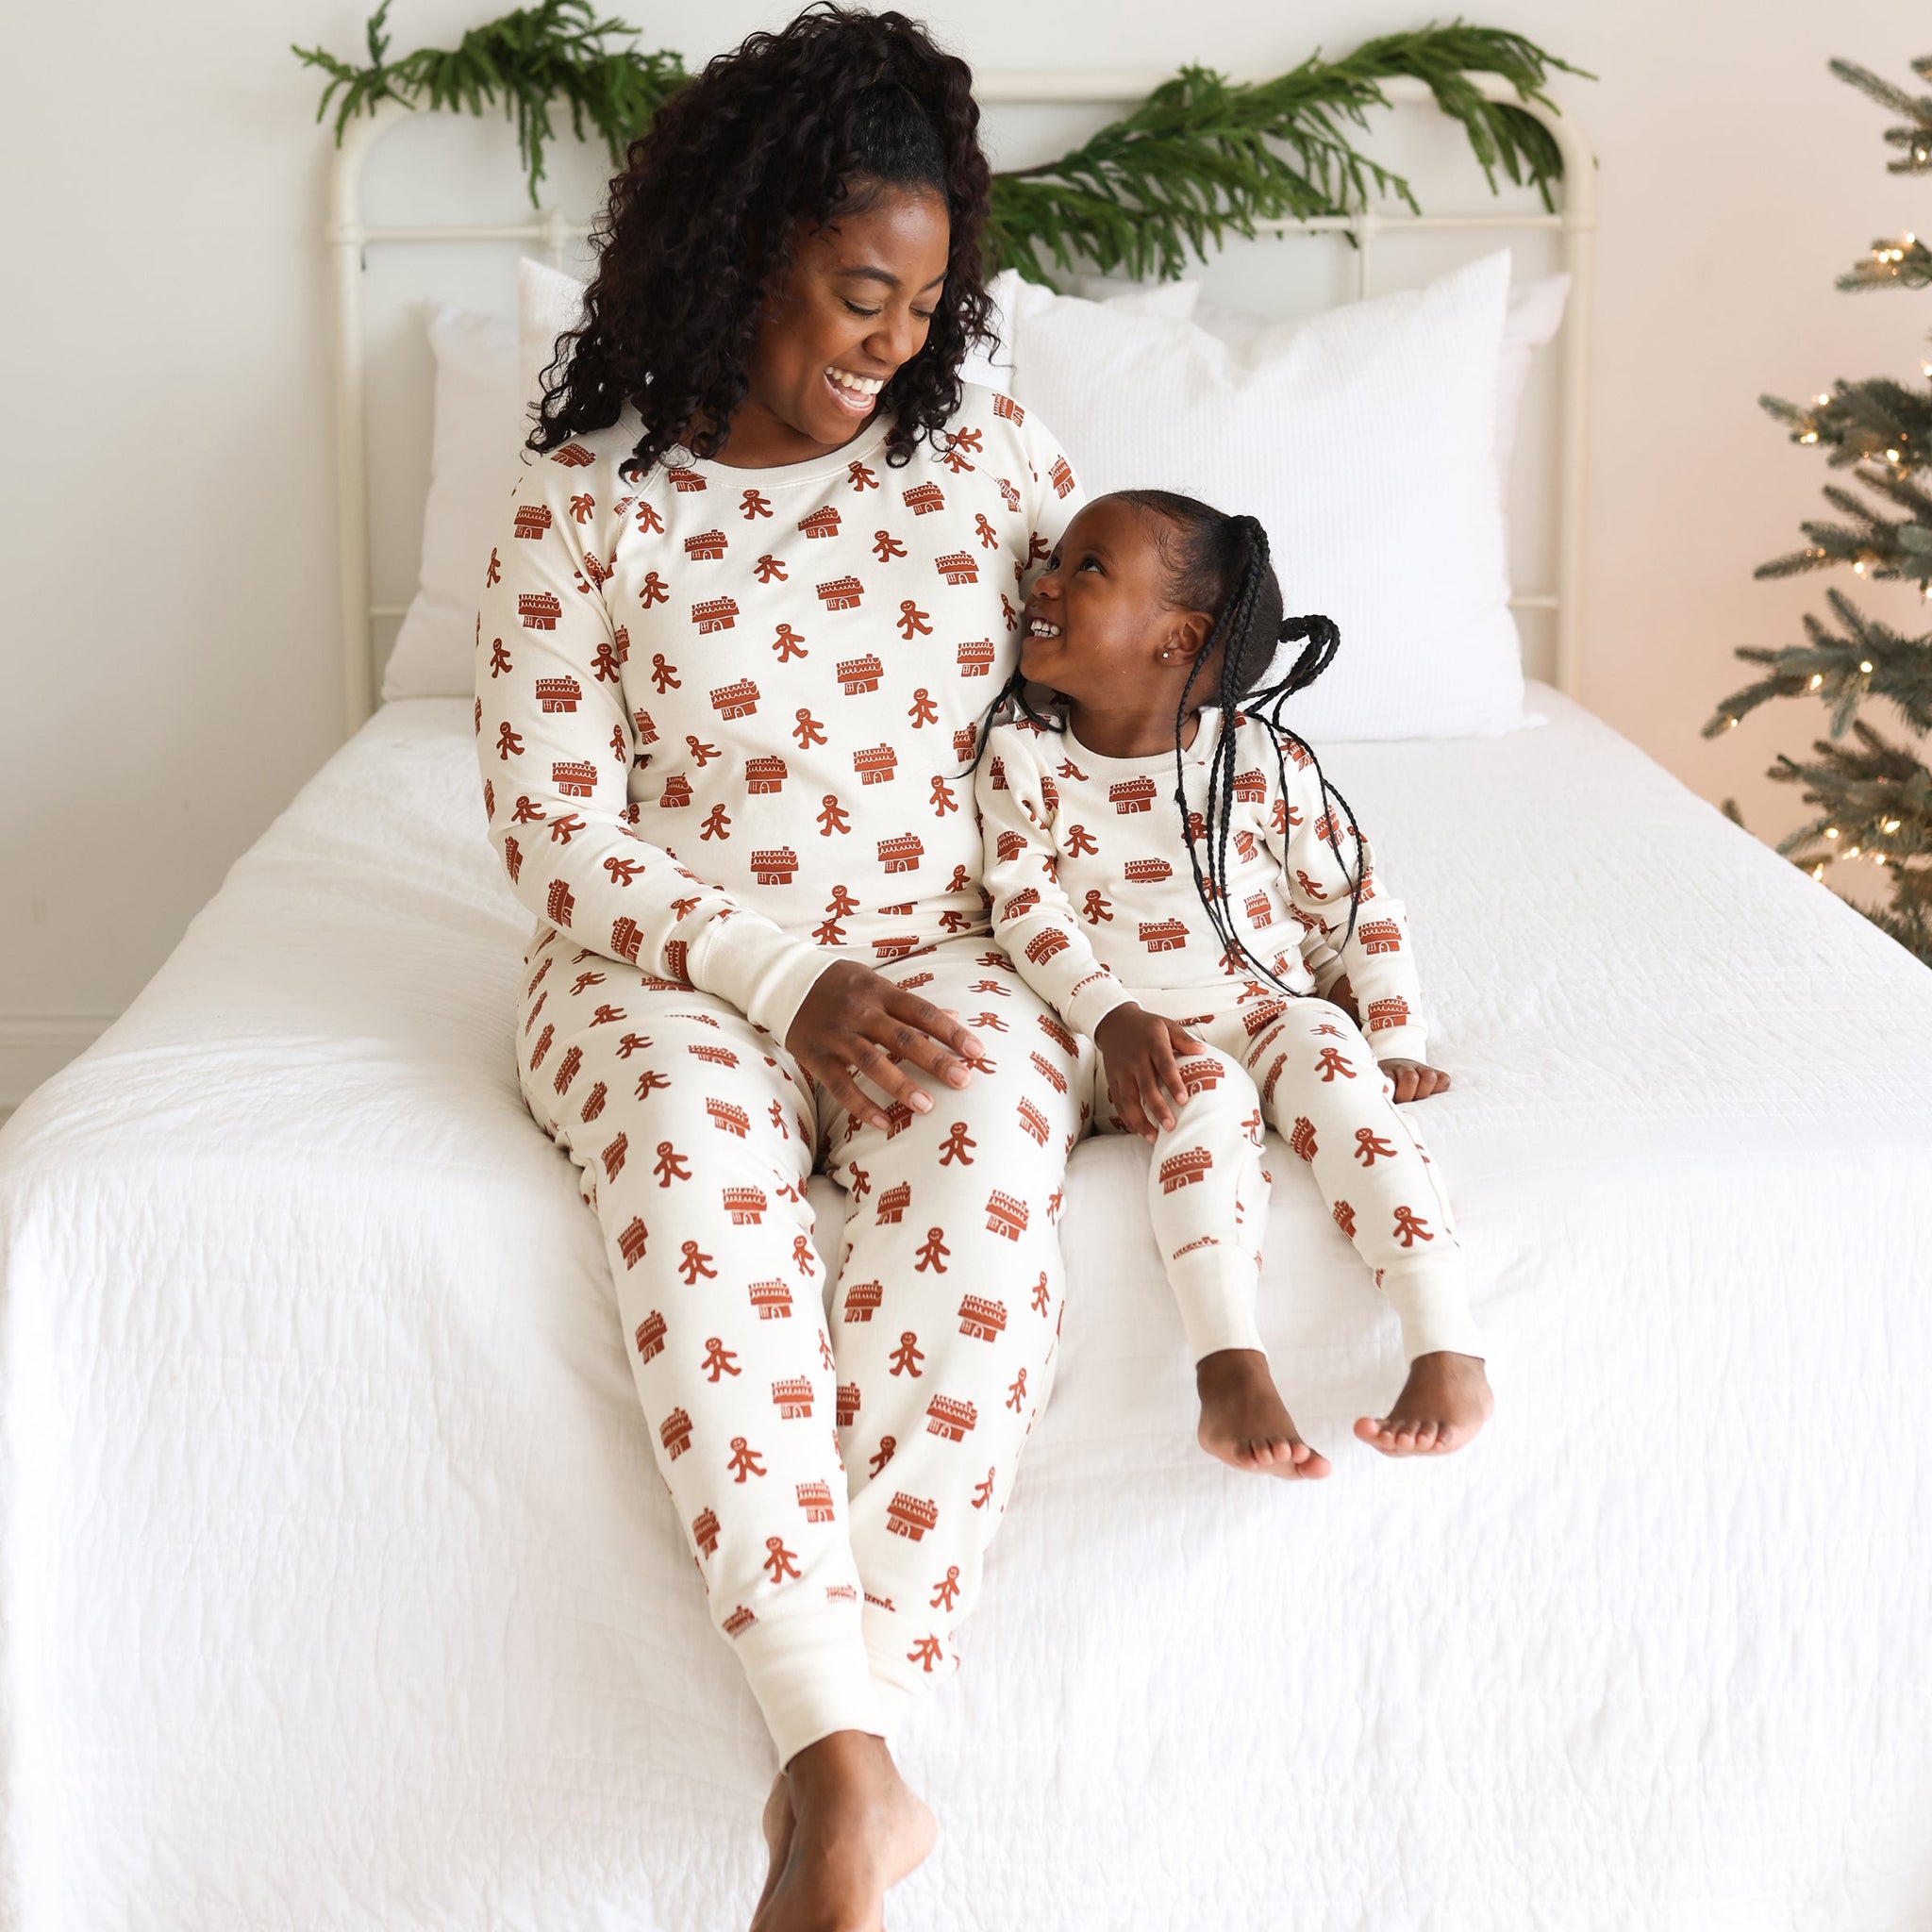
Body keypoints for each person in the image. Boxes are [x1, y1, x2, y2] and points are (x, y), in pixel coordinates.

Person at [473, 10, 1085, 1926]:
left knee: (987, 1163)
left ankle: (846, 1766)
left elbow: (1110, 702)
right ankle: (843, 1768)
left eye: (924, 303)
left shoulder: (985, 456)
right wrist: (777, 976)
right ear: (746, 250)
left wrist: (1172, 951)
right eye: (856, 293)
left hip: (940, 946)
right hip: (659, 962)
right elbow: (549, 825)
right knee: (688, 1165)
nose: (892, 342)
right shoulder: (584, 498)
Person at [971, 490, 1493, 1479]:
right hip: (1134, 1039)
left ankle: (1445, 1343)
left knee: (1334, 1065)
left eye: (1085, 568)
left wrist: (1393, 1042)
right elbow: (1026, 911)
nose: (1043, 581)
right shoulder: (1023, 758)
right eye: (1055, 560)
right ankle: (1228, 1364)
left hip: (1269, 1009)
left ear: (1179, 638)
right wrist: (1113, 1019)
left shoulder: (1259, 760)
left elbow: (1354, 904)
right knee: (1202, 1103)